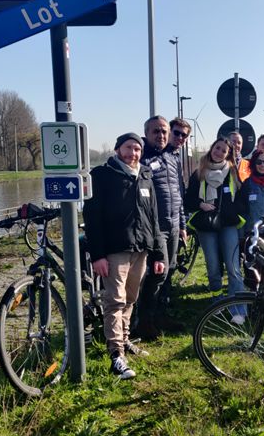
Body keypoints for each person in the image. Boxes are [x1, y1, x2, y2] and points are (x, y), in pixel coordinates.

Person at [83, 132, 166, 379]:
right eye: (129, 148)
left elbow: (153, 217)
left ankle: (125, 339)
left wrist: (159, 253)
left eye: (138, 149)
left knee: (130, 298)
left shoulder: (145, 176)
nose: (133, 153)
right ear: (118, 149)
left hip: (141, 248)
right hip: (114, 250)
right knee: (115, 301)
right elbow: (92, 218)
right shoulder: (102, 176)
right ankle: (116, 355)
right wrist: (97, 255)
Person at [135, 115, 186, 340]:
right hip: (156, 228)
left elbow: (178, 194)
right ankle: (144, 321)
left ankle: (161, 315)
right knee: (157, 273)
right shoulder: (141, 159)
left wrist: (182, 225)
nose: (161, 135)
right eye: (156, 131)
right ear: (146, 133)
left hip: (174, 224)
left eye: (164, 131)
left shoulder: (173, 157)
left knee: (170, 270)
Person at [185, 138, 245, 315]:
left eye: (224, 151)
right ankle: (217, 301)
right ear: (212, 149)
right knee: (213, 267)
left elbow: (241, 198)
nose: (219, 152)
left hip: (228, 225)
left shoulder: (233, 173)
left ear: (228, 155)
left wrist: (231, 211)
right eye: (217, 148)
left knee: (233, 267)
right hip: (206, 225)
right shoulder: (199, 172)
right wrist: (200, 204)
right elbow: (188, 200)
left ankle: (238, 309)